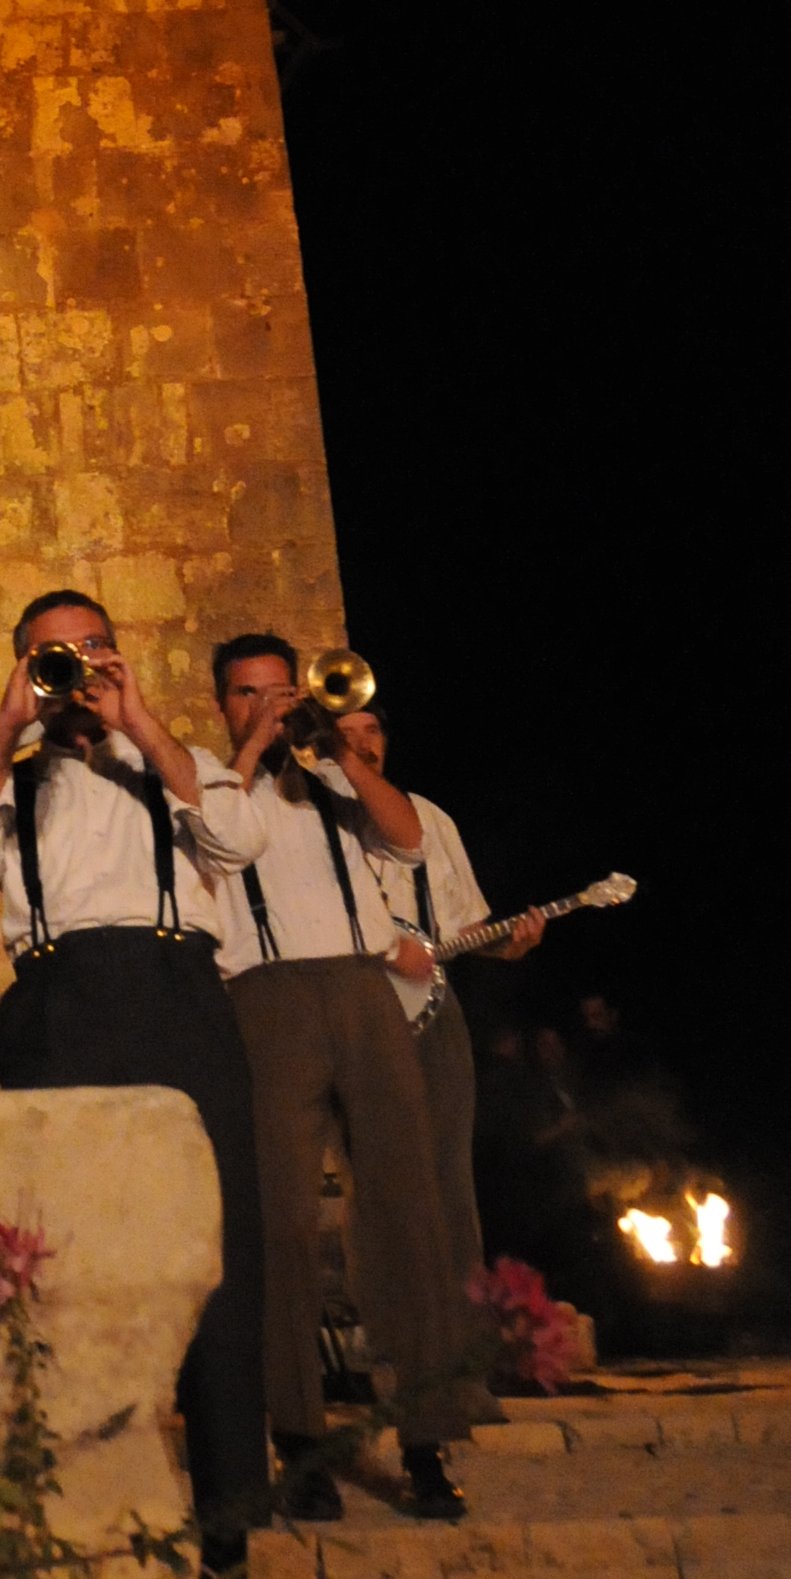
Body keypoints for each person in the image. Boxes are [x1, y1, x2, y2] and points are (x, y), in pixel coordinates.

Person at [0, 588, 271, 1579]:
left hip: (177, 991)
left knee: (220, 1260)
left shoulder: (170, 763)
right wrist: (4, 720)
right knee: (54, 1265)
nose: (71, 670)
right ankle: (71, 1543)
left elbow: (238, 831)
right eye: (48, 657)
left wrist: (142, 722)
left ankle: (224, 1570)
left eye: (86, 650)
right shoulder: (12, 774)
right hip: (57, 1001)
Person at [212, 635, 480, 1525]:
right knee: (284, 1226)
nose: (269, 706)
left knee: (409, 1212)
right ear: (225, 707)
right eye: (249, 695)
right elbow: (213, 849)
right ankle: (299, 1438)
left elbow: (405, 837)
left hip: (365, 988)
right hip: (267, 997)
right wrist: (254, 753)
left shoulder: (332, 775)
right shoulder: (212, 789)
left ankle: (427, 1437)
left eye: (280, 691)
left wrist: (339, 752)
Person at [337, 699, 541, 1323]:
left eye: (372, 731)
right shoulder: (312, 815)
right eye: (346, 734)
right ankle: (387, 1338)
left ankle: (462, 1342)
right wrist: (379, 948)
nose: (364, 743)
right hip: (354, 1016)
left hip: (434, 1014)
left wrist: (512, 943)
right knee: (373, 1185)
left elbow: (465, 924)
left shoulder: (426, 817)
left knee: (451, 1179)